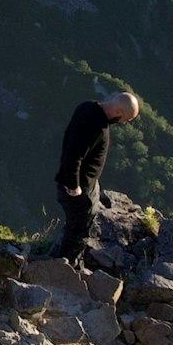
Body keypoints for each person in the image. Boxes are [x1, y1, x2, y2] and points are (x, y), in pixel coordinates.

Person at [55, 88, 140, 257]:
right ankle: (61, 266)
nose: (124, 122)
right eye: (126, 118)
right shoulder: (97, 127)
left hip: (85, 183)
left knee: (77, 224)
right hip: (77, 189)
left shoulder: (86, 107)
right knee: (78, 232)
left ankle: (61, 259)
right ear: (118, 111)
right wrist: (73, 186)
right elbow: (74, 156)